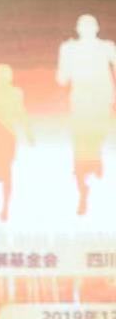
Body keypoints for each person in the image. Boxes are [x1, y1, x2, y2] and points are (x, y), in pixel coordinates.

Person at [57, 14, 116, 215]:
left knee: (86, 144)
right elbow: (62, 78)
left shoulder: (102, 47)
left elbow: (61, 79)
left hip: (94, 102)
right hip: (88, 103)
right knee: (85, 144)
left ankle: (87, 175)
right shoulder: (72, 49)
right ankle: (84, 186)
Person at [0, 64, 33, 222]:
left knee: (4, 171)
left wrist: (28, 132)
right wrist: (28, 132)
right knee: (2, 171)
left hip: (0, 135)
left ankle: (5, 207)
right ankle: (4, 207)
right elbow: (20, 113)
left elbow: (21, 112)